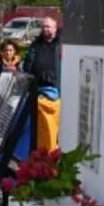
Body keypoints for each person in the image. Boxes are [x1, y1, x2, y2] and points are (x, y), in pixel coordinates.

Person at [22, 14, 63, 152]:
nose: (45, 29)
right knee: (37, 128)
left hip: (55, 91)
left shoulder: (61, 44)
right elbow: (28, 64)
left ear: (55, 28)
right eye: (43, 26)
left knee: (53, 128)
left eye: (48, 26)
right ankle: (35, 155)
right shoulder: (36, 44)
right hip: (37, 91)